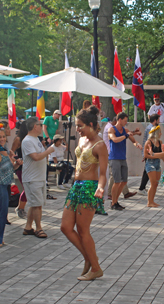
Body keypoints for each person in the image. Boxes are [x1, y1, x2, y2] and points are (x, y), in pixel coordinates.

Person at [60, 106, 107, 281]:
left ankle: (95, 267)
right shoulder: (81, 140)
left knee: (82, 229)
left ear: (91, 125)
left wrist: (100, 188)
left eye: (80, 126)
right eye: (77, 126)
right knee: (65, 227)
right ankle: (89, 258)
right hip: (76, 186)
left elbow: (103, 173)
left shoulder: (100, 145)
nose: (77, 129)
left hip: (89, 187)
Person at [21, 116, 54, 239]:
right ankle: (39, 228)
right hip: (32, 178)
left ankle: (28, 227)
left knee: (35, 203)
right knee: (37, 205)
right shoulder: (27, 141)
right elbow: (35, 157)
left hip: (38, 177)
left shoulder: (36, 139)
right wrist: (49, 151)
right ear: (35, 127)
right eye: (40, 125)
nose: (41, 127)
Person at [108, 112, 143, 210]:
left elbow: (133, 140)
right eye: (125, 120)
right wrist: (126, 136)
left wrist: (137, 145)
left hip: (123, 158)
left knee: (124, 182)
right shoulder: (111, 129)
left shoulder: (125, 130)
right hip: (114, 158)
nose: (126, 122)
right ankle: (113, 203)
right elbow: (114, 140)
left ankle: (115, 201)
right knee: (117, 181)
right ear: (119, 120)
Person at [137, 114, 160, 196]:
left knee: (146, 171)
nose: (159, 121)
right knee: (147, 171)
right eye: (158, 120)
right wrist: (146, 154)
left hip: (148, 153)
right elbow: (149, 142)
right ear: (155, 120)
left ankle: (142, 187)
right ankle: (141, 188)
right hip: (150, 153)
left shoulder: (149, 127)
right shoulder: (151, 129)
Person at [143, 125, 164, 207]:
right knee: (152, 183)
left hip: (157, 163)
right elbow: (145, 155)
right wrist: (155, 156)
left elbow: (162, 154)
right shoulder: (148, 142)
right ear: (156, 133)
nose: (161, 134)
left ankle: (152, 200)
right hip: (150, 163)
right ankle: (149, 202)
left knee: (156, 183)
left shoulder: (160, 142)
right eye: (160, 132)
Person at [12, 123, 29, 219]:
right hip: (20, 167)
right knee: (26, 188)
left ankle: (21, 207)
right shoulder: (18, 139)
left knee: (28, 189)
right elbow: (11, 153)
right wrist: (18, 160)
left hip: (28, 167)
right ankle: (20, 208)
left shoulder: (31, 139)